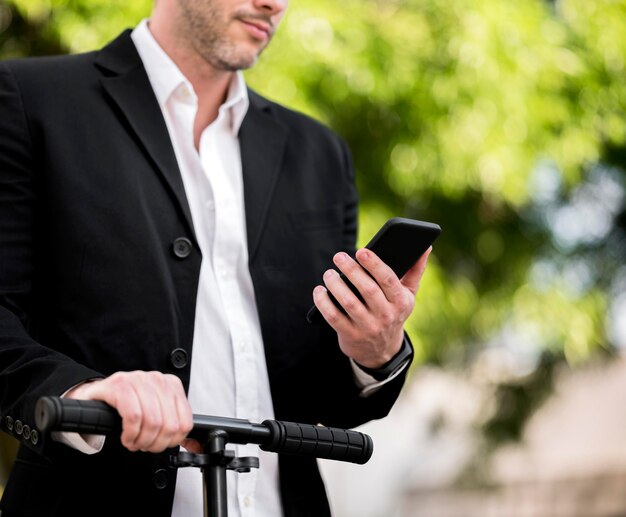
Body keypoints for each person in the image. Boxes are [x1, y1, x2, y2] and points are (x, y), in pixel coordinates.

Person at [0, 0, 432, 515]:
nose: (274, 3)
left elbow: (322, 394)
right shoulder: (29, 100)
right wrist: (83, 392)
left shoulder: (319, 154)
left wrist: (372, 352)